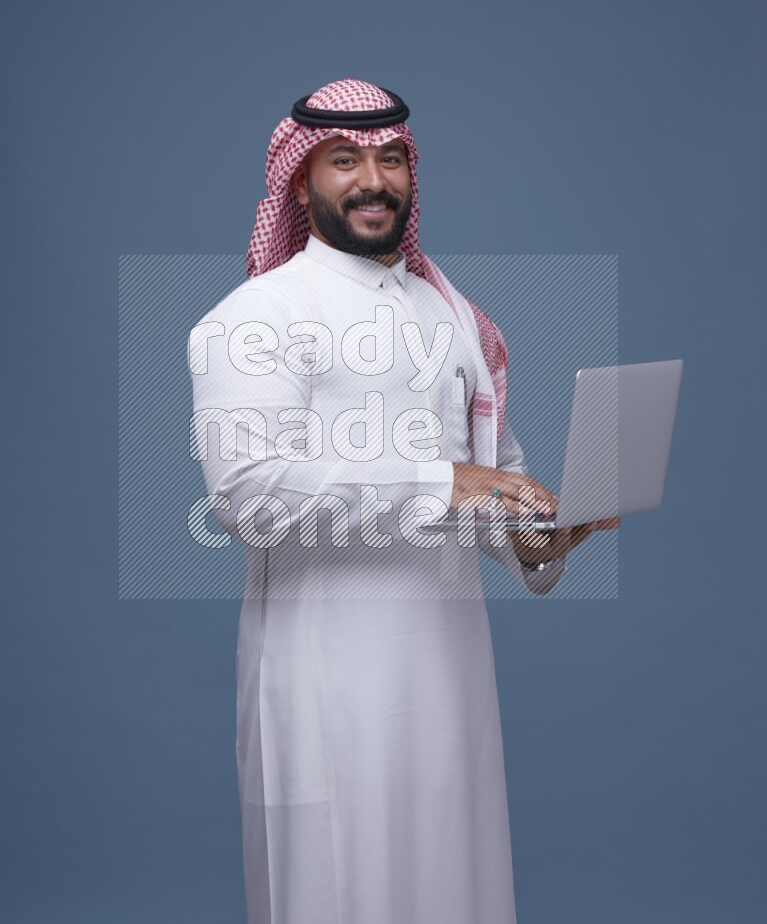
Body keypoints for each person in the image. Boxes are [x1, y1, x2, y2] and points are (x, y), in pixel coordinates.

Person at [187, 78, 618, 924]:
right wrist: (437, 482)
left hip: (451, 673)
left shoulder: (452, 313)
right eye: (344, 160)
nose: (371, 180)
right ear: (301, 180)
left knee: (455, 887)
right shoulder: (258, 317)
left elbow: (492, 472)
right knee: (343, 891)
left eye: (390, 159)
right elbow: (246, 491)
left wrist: (534, 539)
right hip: (326, 675)